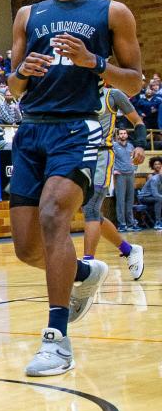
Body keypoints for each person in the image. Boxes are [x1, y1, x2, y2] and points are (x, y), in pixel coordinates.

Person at [8, 0, 141, 377]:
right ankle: (83, 273)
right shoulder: (29, 14)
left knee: (53, 217)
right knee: (27, 250)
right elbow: (13, 85)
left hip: (77, 128)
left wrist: (94, 63)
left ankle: (56, 339)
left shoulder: (111, 12)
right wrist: (21, 72)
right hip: (30, 132)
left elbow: (135, 82)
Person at [80, 85, 145, 279]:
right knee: (90, 212)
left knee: (91, 209)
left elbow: (138, 122)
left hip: (102, 155)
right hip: (79, 155)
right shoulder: (76, 92)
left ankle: (88, 263)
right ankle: (129, 250)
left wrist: (140, 145)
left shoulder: (113, 95)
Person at [112, 128, 138, 231]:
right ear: (118, 136)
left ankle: (131, 224)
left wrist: (134, 168)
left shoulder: (131, 146)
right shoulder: (114, 146)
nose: (123, 135)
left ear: (127, 135)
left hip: (130, 174)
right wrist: (114, 170)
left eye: (124, 133)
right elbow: (110, 158)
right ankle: (122, 224)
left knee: (130, 200)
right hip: (120, 175)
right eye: (121, 133)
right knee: (120, 200)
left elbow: (134, 159)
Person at [138, 156, 162, 230]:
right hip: (144, 197)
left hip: (152, 197)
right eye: (155, 164)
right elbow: (155, 194)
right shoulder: (154, 178)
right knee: (159, 199)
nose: (158, 166)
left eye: (159, 164)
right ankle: (158, 223)